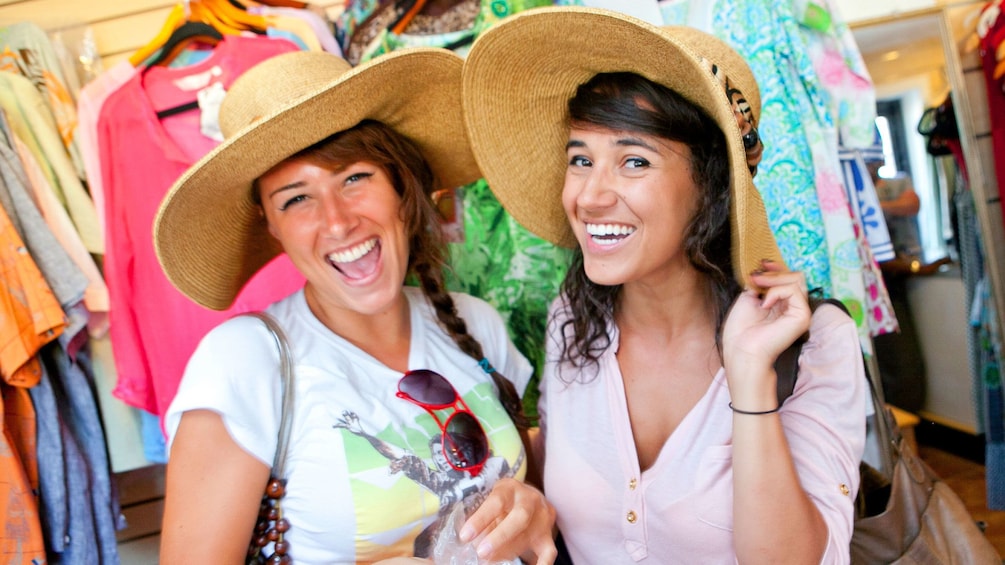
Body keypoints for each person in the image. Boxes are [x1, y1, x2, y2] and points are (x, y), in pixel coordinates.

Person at [461, 7, 867, 563]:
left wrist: (749, 379)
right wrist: (520, 495)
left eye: (633, 161)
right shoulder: (572, 321)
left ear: (711, 187)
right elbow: (559, 476)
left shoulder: (813, 342)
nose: (590, 196)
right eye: (581, 159)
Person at [154, 48, 556, 563]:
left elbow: (532, 507)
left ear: (399, 186)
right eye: (297, 198)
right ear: (271, 227)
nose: (338, 221)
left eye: (354, 178)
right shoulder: (245, 361)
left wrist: (533, 510)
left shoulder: (476, 323)